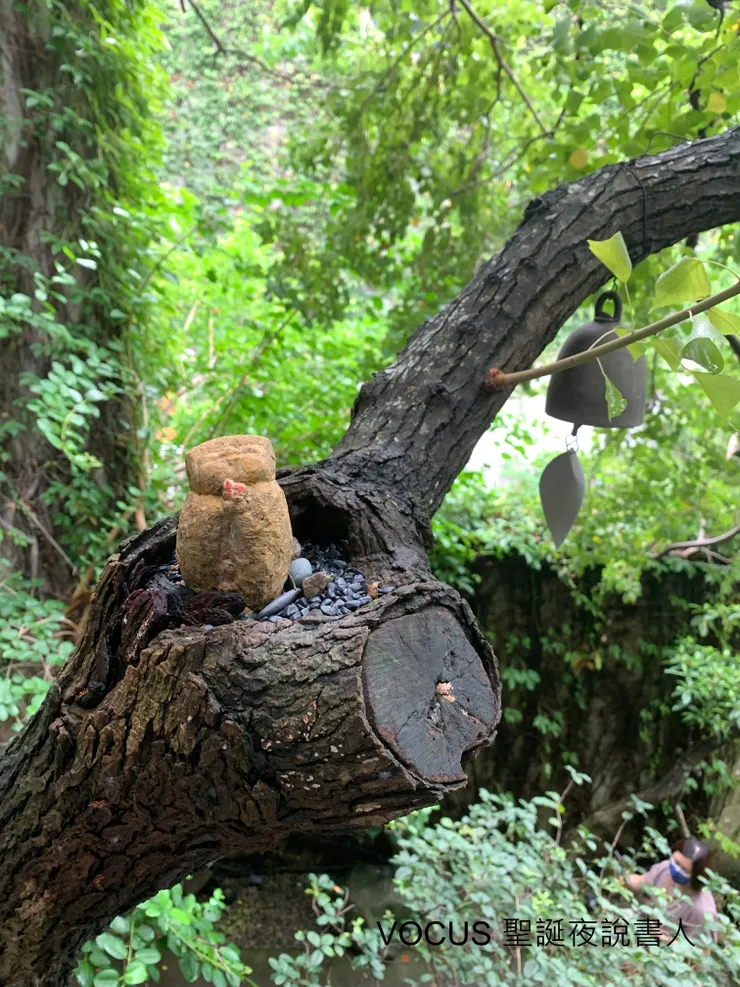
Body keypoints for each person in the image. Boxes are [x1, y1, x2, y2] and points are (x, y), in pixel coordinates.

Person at [625, 838, 719, 944]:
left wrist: (664, 939)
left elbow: (703, 953)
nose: (677, 869)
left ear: (696, 876)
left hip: (667, 949)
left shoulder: (702, 910)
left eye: (684, 870)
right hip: (647, 928)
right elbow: (642, 881)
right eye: (676, 863)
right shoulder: (667, 869)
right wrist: (624, 877)